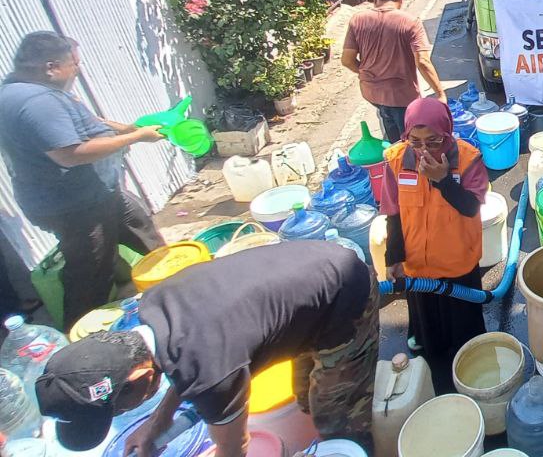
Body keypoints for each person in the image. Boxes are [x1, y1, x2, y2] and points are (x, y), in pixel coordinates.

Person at [35, 242, 379, 457]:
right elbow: (185, 372)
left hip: (345, 296)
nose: (124, 415)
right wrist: (155, 425)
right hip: (307, 282)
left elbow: (232, 448)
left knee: (339, 420)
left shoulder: (211, 371)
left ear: (139, 376)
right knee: (307, 397)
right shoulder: (154, 307)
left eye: (120, 409)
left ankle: (360, 446)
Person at [0, 32, 166, 329]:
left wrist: (127, 127)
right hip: (76, 206)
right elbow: (70, 152)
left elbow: (84, 123)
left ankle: (176, 283)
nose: (78, 69)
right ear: (51, 66)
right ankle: (81, 337)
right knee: (90, 272)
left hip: (99, 193)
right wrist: (137, 137)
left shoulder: (24, 89)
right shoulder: (37, 101)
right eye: (74, 63)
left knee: (143, 231)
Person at [380, 98, 488, 368]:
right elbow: (393, 213)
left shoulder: (467, 159)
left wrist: (442, 181)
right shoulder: (396, 161)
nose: (423, 149)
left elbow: (471, 207)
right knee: (430, 339)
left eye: (433, 141)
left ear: (447, 132)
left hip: (458, 264)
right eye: (415, 141)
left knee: (467, 339)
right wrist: (393, 257)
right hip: (418, 266)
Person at [342, 0, 447, 143]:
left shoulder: (357, 20)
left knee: (391, 128)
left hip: (371, 92)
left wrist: (366, 72)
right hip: (402, 95)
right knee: (414, 141)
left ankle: (396, 160)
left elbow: (347, 60)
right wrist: (440, 94)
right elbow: (422, 62)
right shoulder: (410, 22)